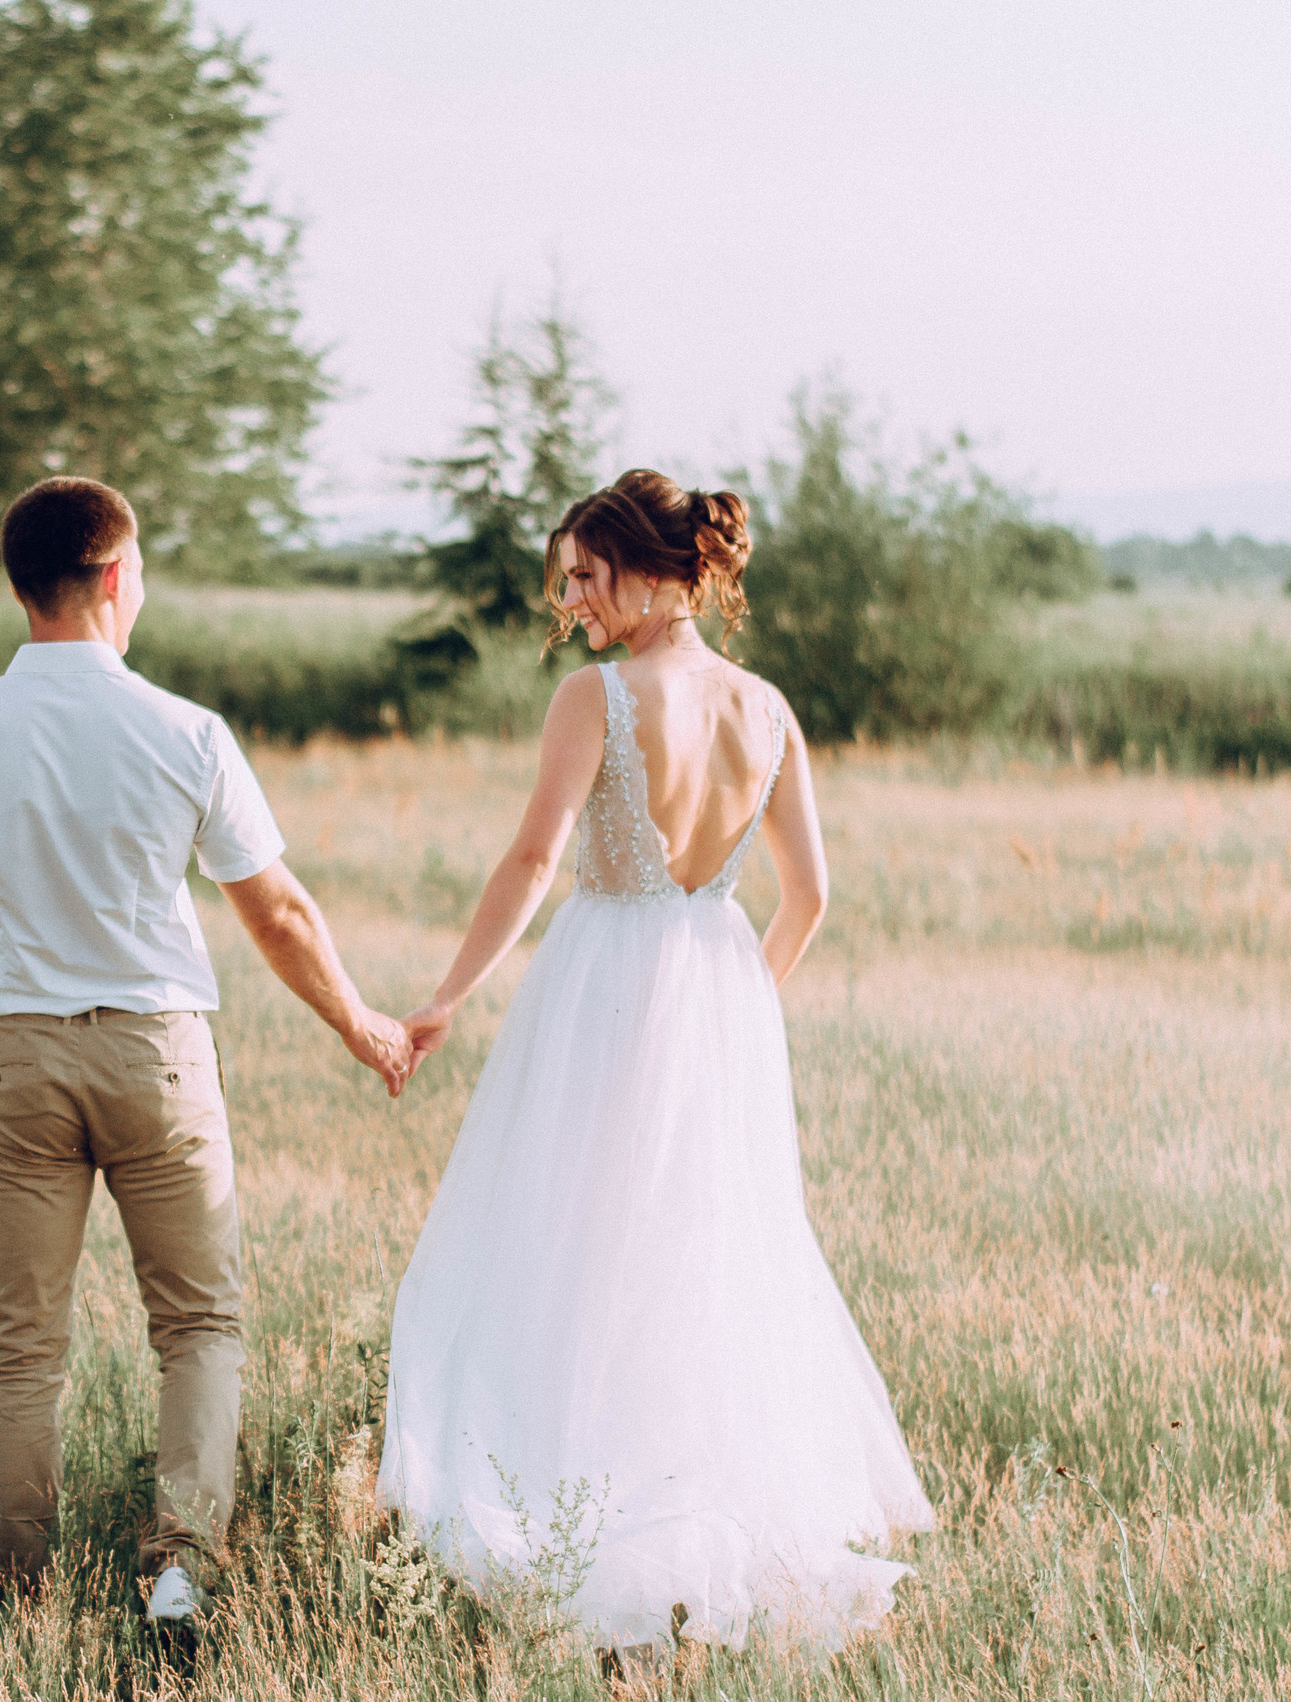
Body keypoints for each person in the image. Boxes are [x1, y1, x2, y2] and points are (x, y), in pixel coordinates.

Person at [377, 470, 934, 1671]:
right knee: (698, 1258)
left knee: (567, 1252)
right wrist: (726, 1009)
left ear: (651, 571)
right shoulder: (766, 708)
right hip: (715, 994)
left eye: (586, 576)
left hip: (601, 989)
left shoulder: (597, 696)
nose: (570, 601)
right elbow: (810, 895)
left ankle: (587, 1528)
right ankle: (691, 1526)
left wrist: (443, 999)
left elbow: (532, 861)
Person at [0, 476, 414, 1625]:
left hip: (18, 1061)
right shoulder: (186, 732)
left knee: (20, 1348)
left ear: (20, 587)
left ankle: (18, 1590)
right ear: (118, 577)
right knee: (199, 1326)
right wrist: (358, 1021)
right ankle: (181, 1567)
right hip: (159, 1059)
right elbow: (278, 912)